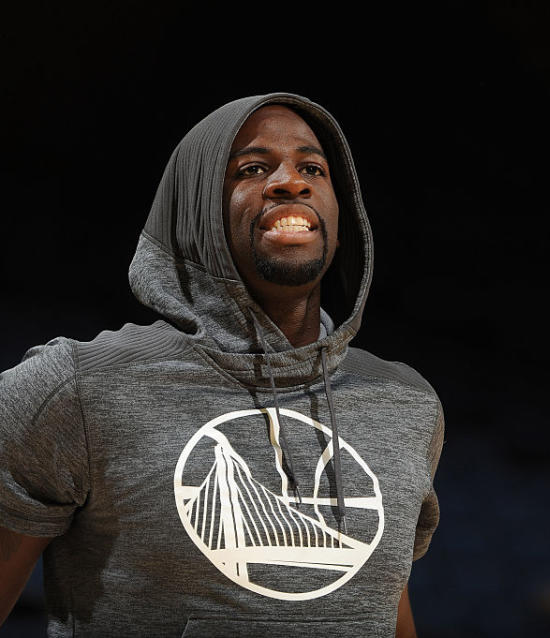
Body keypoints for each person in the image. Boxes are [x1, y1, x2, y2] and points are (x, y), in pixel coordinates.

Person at [0, 93, 444, 637]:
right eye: (253, 169)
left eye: (313, 169)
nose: (291, 183)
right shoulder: (74, 389)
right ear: (193, 210)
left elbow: (373, 606)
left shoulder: (407, 403)